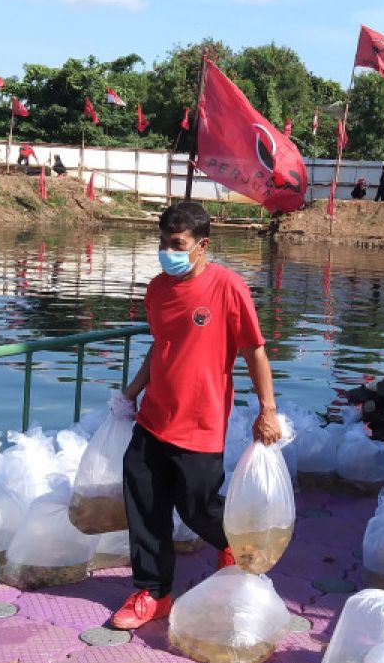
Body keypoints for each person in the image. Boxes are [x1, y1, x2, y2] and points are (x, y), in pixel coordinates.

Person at [111, 201, 281, 630]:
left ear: (201, 246)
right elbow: (162, 345)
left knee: (197, 506)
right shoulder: (157, 289)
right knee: (144, 501)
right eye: (163, 243)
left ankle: (233, 545)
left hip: (201, 423)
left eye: (177, 244)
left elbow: (254, 351)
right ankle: (153, 592)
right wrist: (132, 392)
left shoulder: (228, 287)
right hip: (154, 417)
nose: (168, 251)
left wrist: (268, 410)